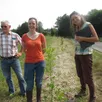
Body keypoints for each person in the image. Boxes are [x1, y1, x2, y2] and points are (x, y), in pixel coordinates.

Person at [69, 11, 99, 102]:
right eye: (72, 19)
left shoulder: (88, 25)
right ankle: (83, 91)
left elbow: (96, 39)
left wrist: (82, 38)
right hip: (78, 53)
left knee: (88, 76)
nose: (74, 20)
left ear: (80, 16)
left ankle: (92, 97)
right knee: (80, 74)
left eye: (76, 18)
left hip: (86, 54)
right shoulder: (76, 28)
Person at [22, 17, 46, 102]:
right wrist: (31, 55)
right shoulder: (24, 36)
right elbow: (24, 49)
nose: (31, 25)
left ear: (36, 25)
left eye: (33, 23)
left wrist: (38, 56)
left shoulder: (41, 36)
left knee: (39, 82)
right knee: (29, 84)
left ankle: (38, 99)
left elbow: (44, 49)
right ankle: (29, 100)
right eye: (30, 23)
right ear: (28, 25)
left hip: (40, 62)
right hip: (29, 63)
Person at [0, 20, 26, 97]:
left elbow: (23, 44)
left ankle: (23, 92)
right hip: (3, 60)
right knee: (8, 77)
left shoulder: (15, 35)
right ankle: (12, 91)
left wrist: (21, 52)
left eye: (5, 26)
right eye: (2, 26)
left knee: (20, 76)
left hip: (14, 59)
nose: (3, 28)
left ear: (9, 27)